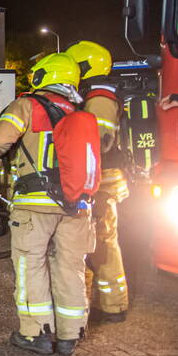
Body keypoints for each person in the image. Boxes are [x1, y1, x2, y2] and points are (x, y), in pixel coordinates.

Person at [0, 53, 96, 356]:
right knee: (71, 268)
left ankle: (36, 334)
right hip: (77, 206)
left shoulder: (27, 105)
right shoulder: (79, 111)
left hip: (35, 205)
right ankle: (71, 333)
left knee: (30, 265)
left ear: (45, 75)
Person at [66, 41, 129, 322]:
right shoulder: (94, 95)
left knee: (103, 244)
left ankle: (113, 306)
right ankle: (105, 303)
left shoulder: (100, 97)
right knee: (96, 244)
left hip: (103, 181)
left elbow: (99, 143)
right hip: (100, 179)